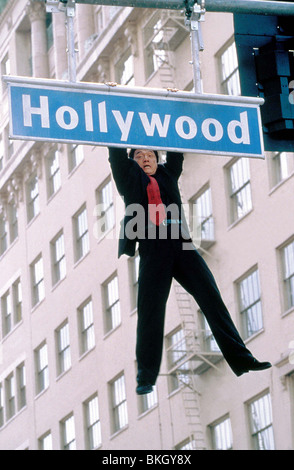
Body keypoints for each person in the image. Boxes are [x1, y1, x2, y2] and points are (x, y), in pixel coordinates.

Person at [108, 146, 272, 395]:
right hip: (153, 250)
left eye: (150, 156)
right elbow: (116, 155)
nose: (145, 160)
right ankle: (146, 376)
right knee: (150, 313)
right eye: (139, 157)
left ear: (157, 159)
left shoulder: (168, 174)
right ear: (132, 163)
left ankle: (242, 359)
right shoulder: (127, 179)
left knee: (212, 300)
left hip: (182, 246)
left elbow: (177, 149)